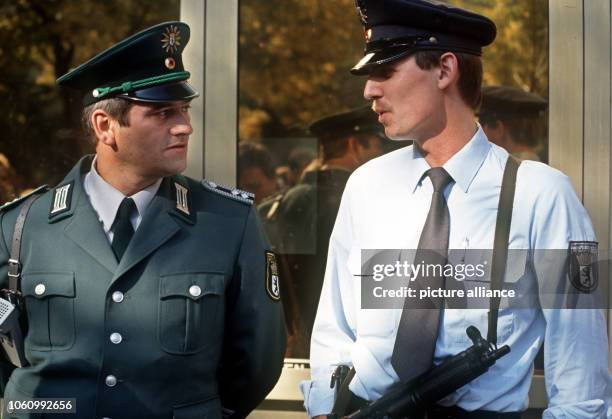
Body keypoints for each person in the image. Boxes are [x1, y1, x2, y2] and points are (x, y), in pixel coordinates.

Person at [303, 1, 610, 418]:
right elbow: (335, 329)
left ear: (445, 70)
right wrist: (324, 409)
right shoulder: (368, 187)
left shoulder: (544, 195)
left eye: (385, 71)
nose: (369, 90)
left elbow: (580, 378)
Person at [0, 21, 285, 419]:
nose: (184, 125)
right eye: (162, 112)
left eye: (184, 109)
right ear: (105, 126)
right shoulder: (22, 226)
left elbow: (257, 362)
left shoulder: (226, 222)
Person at [259, 106, 386, 357]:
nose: (382, 155)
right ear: (354, 146)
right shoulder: (368, 205)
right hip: (351, 355)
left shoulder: (274, 206)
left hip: (284, 356)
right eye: (376, 146)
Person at [479, 85, 547, 162]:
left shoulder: (496, 172)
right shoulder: (549, 169)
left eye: (482, 126)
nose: (481, 133)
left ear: (498, 129)